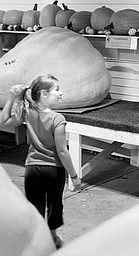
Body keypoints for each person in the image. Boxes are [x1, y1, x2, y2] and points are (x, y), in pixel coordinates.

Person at [0, 74, 81, 249]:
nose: (61, 93)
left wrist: (12, 97)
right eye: (57, 89)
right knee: (54, 205)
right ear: (44, 94)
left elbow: (3, 121)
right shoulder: (57, 119)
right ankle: (52, 239)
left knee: (35, 205)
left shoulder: (28, 114)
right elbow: (62, 151)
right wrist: (74, 176)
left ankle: (37, 243)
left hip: (32, 168)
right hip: (53, 170)